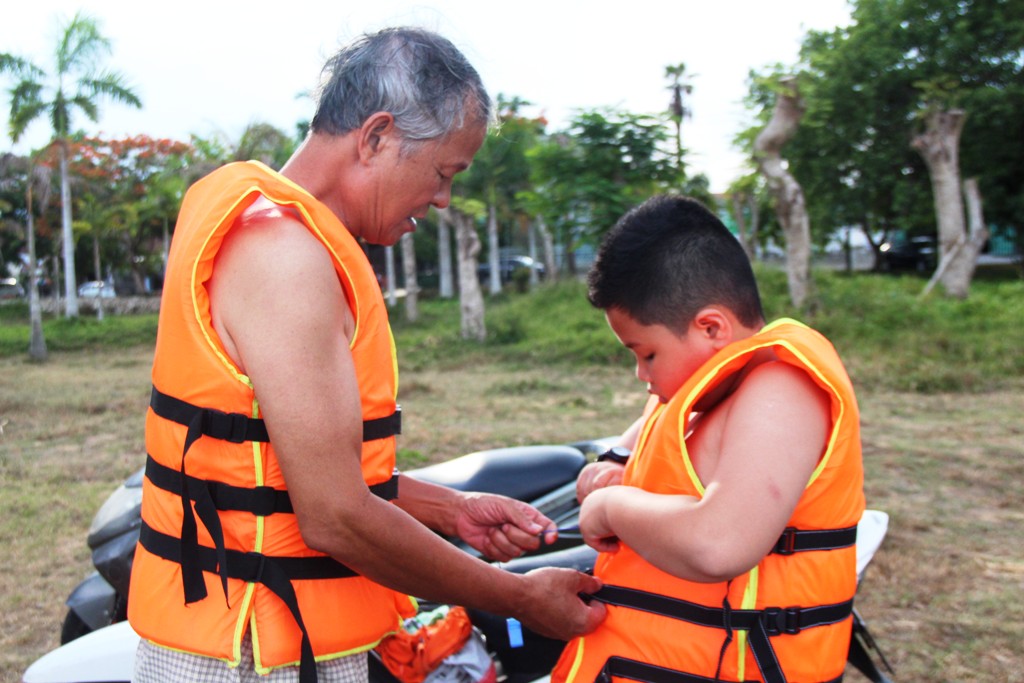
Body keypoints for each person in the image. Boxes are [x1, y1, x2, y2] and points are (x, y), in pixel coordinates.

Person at [128, 27, 604, 683]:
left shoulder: (273, 231)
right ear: (376, 136)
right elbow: (334, 516)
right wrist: (517, 596)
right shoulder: (282, 256)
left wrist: (453, 511)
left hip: (272, 634)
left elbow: (279, 470)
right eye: (443, 172)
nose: (442, 200)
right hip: (254, 650)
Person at [552, 195, 865, 683]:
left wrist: (611, 506)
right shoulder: (708, 388)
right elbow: (655, 429)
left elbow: (719, 545)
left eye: (647, 354)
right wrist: (616, 458)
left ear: (711, 327)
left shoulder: (781, 392)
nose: (641, 374)